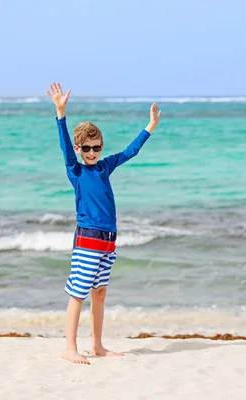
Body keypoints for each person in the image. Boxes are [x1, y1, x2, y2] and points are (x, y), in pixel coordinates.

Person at [46, 82, 161, 364]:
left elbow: (129, 152)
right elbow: (63, 146)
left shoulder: (105, 167)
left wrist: (150, 127)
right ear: (78, 147)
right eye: (86, 148)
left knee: (100, 293)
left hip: (108, 241)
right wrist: (61, 114)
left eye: (96, 147)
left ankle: (97, 345)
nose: (92, 152)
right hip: (87, 240)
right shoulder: (75, 170)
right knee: (78, 294)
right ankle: (69, 348)